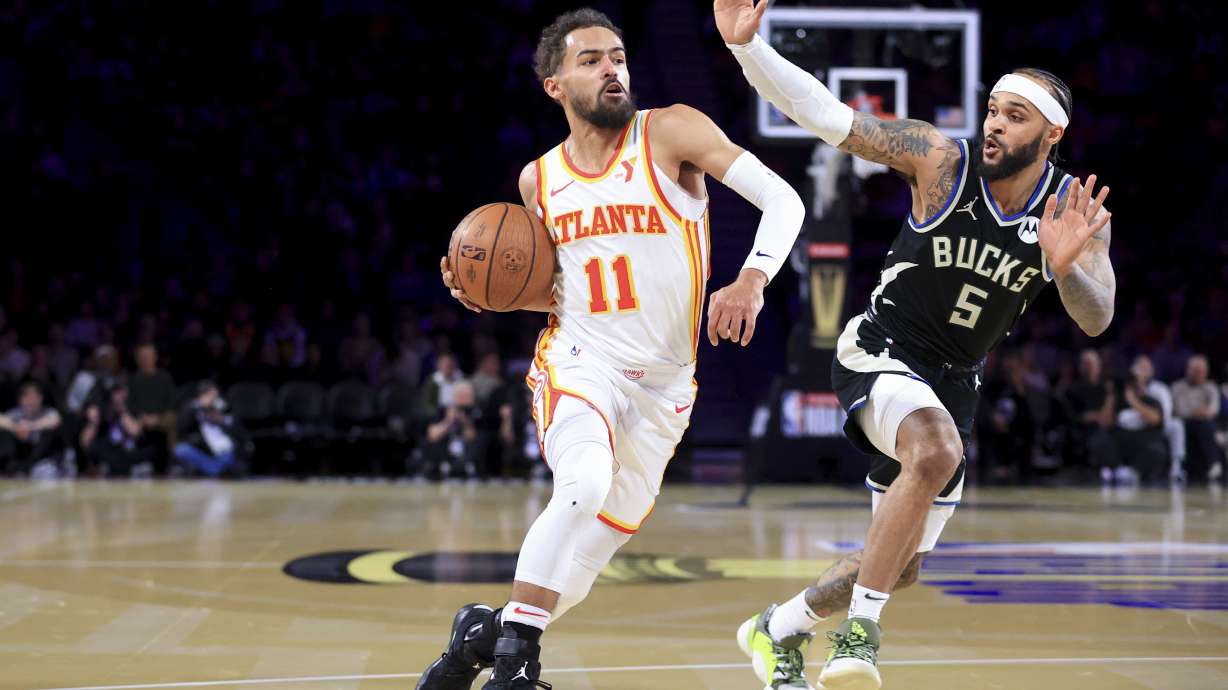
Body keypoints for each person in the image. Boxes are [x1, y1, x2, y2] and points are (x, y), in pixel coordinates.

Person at [714, 2, 1116, 688]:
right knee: (934, 451)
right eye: (992, 108)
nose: (993, 123)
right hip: (880, 350)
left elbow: (1097, 316)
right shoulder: (941, 160)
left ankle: (774, 629)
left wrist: (1067, 266)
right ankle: (859, 641)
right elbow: (831, 118)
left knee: (898, 564)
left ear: (1052, 133)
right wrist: (750, 50)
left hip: (955, 380)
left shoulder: (1071, 213)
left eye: (1014, 116)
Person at [420, 8, 805, 690]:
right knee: (583, 484)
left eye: (618, 57)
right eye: (591, 59)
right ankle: (516, 667)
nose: (611, 69)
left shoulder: (671, 130)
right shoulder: (538, 181)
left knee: (587, 563)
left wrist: (752, 278)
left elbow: (784, 202)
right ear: (554, 84)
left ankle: (478, 636)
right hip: (580, 362)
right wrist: (491, 294)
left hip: (665, 387)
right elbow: (561, 289)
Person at [1112, 355, 1173, 484]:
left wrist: (1134, 401)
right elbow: (1109, 420)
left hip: (1145, 439)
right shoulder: (1120, 397)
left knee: (1157, 451)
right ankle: (1115, 469)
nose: (1138, 382)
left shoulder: (1153, 398)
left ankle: (1134, 472)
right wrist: (1112, 394)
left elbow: (1157, 419)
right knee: (1100, 440)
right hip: (1122, 439)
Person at [173, 381, 249, 478]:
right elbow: (181, 428)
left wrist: (222, 420)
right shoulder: (193, 410)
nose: (213, 400)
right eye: (210, 396)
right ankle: (216, 471)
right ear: (201, 396)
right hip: (206, 452)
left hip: (225, 452)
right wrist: (197, 409)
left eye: (215, 397)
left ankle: (210, 471)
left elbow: (239, 432)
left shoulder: (225, 409)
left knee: (228, 457)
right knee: (181, 450)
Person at [1171, 354, 1220, 481]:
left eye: (1201, 371)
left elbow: (1213, 409)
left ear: (1206, 372)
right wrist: (1198, 412)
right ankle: (1212, 462)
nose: (1198, 374)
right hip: (1184, 425)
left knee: (1207, 425)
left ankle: (1214, 464)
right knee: (1202, 424)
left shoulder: (1211, 387)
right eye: (1195, 370)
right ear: (1188, 370)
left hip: (1205, 424)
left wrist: (1201, 412)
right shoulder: (1178, 387)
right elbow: (1179, 411)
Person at [0, 383, 63, 475]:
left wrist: (30, 426)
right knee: (5, 434)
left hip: (41, 455)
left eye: (34, 398)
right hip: (21, 451)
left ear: (40, 398)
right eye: (27, 398)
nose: (31, 401)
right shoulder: (17, 413)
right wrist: (16, 428)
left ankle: (28, 467)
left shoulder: (47, 411)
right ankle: (8, 467)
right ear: (21, 400)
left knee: (49, 433)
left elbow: (56, 420)